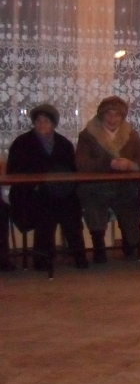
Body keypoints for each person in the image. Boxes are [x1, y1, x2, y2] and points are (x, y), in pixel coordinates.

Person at [7, 104, 89, 270]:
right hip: (30, 192)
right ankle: (42, 259)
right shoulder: (22, 143)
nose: (42, 124)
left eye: (46, 121)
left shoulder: (64, 144)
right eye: (38, 121)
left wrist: (62, 187)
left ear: (53, 124)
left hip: (60, 192)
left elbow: (72, 172)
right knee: (45, 209)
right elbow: (13, 172)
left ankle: (78, 254)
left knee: (72, 207)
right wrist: (37, 183)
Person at [75, 96, 140, 263]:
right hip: (96, 187)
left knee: (130, 202)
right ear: (101, 115)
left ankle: (130, 243)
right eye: (109, 114)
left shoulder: (130, 135)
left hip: (123, 187)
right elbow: (82, 164)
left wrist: (132, 165)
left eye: (117, 114)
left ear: (122, 116)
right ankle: (99, 246)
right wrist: (107, 163)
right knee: (93, 203)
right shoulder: (88, 135)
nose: (113, 118)